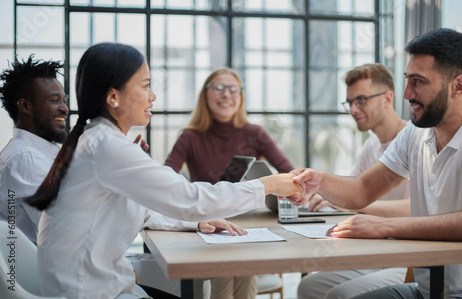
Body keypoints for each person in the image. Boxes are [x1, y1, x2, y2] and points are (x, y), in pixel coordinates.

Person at [25, 42, 303, 299]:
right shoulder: (107, 146)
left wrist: (196, 221)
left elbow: (147, 207)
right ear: (113, 96)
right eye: (145, 86)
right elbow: (188, 198)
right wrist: (268, 185)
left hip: (93, 284)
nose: (153, 95)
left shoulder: (97, 140)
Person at [291, 28, 462, 299]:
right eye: (407, 79)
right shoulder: (416, 132)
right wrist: (320, 180)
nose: (406, 93)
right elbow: (362, 189)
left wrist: (386, 226)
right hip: (426, 289)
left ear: (458, 86)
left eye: (418, 81)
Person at [165, 67, 294, 299]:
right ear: (205, 95)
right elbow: (165, 180)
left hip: (247, 227)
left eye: (234, 90)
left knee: (245, 264)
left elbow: (290, 173)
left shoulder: (255, 133)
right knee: (226, 272)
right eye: (219, 88)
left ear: (240, 97)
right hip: (208, 224)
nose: (227, 95)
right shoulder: (190, 137)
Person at [297, 63, 411, 299]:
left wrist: (352, 204)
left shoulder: (412, 140)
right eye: (350, 102)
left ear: (387, 98)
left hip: (406, 256)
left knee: (339, 294)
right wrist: (327, 193)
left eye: (361, 100)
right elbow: (354, 190)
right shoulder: (371, 145)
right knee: (307, 287)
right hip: (375, 251)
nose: (353, 109)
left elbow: (414, 208)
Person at [0, 55, 68, 244]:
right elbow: (66, 236)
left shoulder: (43, 154)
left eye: (64, 100)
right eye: (54, 100)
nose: (65, 109)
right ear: (25, 106)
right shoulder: (26, 159)